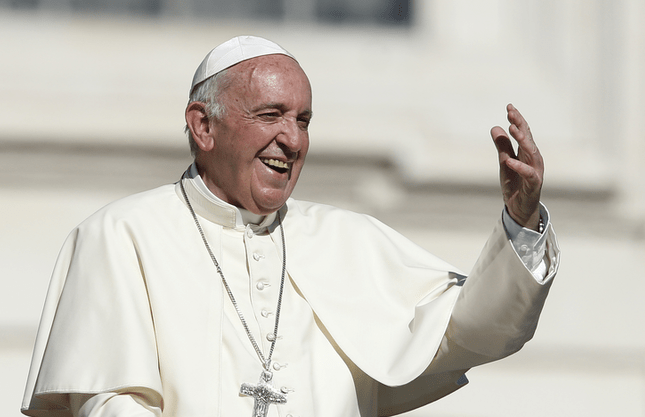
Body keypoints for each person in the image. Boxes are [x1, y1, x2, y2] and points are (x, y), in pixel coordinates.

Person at [21, 36, 560, 417]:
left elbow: (471, 331)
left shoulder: (348, 242)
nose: (293, 139)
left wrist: (521, 219)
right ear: (203, 126)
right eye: (270, 115)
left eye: (302, 120)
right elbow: (113, 406)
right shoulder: (122, 237)